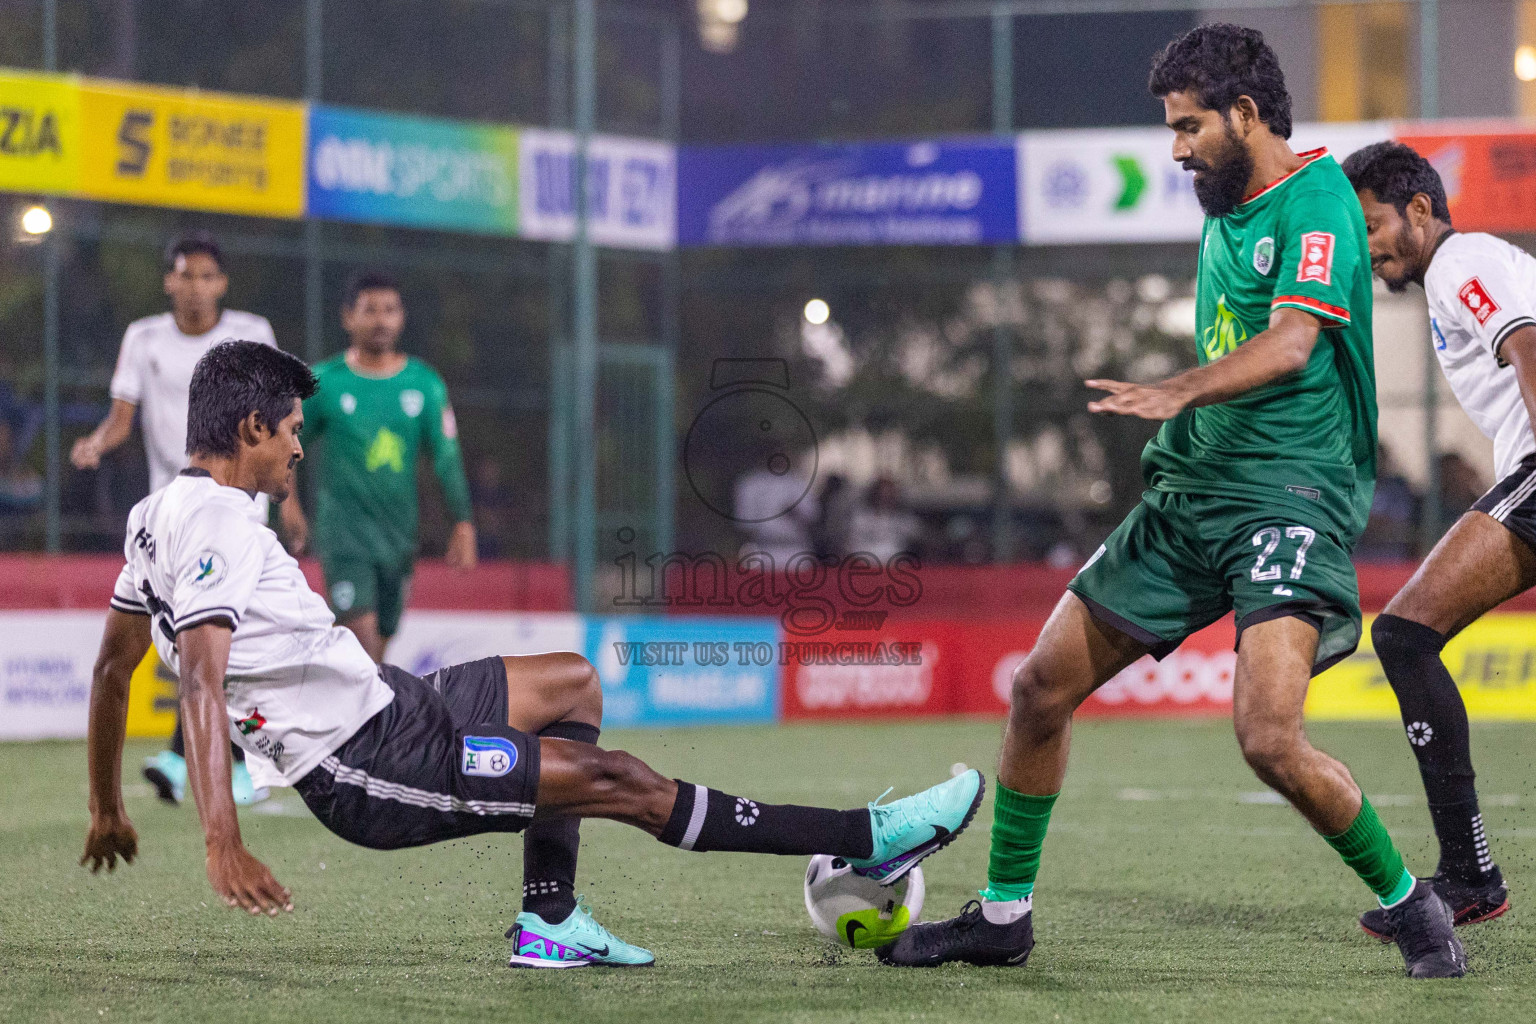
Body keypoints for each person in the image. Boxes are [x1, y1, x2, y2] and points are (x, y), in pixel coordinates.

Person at [80, 340, 985, 968]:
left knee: (572, 681)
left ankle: (548, 920)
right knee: (622, 778)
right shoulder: (213, 524)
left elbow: (114, 668)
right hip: (364, 765)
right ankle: (870, 841)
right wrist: (219, 839)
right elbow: (195, 679)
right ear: (249, 430)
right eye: (289, 430)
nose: (299, 447)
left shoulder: (158, 514)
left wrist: (106, 809)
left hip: (393, 703)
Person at [878, 25, 1464, 979]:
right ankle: (1002, 915)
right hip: (1191, 498)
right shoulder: (1227, 198)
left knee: (1268, 737)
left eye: (1190, 127)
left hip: (1288, 499)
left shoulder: (1319, 200)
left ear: (1246, 113)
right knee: (1037, 690)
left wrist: (1180, 387)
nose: (1178, 148)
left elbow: (1290, 348)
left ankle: (1414, 905)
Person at [1341, 139, 1536, 940]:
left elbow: (1530, 347)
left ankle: (1469, 875)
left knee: (1403, 632)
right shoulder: (1450, 279)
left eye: (1375, 224)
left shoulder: (1463, 263)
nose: (1369, 244)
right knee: (1405, 635)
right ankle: (1469, 874)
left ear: (1420, 209)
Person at [71, 230, 281, 809]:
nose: (195, 286)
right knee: (193, 632)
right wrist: (94, 444)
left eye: (207, 275)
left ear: (223, 283)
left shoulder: (251, 334)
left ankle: (221, 759)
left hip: (240, 505)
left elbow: (279, 422)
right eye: (185, 274)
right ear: (169, 280)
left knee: (221, 634)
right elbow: (120, 419)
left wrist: (289, 498)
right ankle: (210, 756)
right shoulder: (144, 338)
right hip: (170, 510)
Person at [281, 271, 476, 664]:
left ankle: (341, 717)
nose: (381, 320)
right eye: (369, 310)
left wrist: (462, 522)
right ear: (347, 317)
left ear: (402, 317)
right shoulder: (325, 382)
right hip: (344, 538)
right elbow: (285, 441)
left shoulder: (424, 383)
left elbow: (446, 457)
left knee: (377, 651)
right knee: (363, 641)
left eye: (390, 310)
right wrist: (288, 505)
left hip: (399, 539)